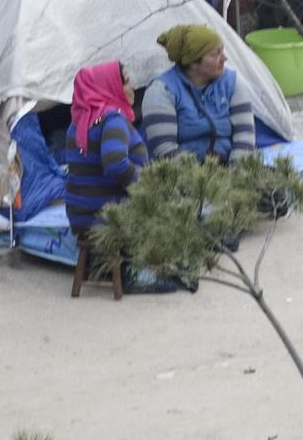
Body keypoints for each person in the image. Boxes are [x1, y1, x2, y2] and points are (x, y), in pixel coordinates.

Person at [64, 61, 182, 293]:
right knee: (176, 207)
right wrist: (149, 186)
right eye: (125, 81)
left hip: (80, 216)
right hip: (109, 216)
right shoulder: (113, 120)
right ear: (110, 87)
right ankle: (138, 275)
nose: (132, 86)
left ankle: (109, 266)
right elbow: (116, 164)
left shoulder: (79, 122)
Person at [141, 24, 255, 163]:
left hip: (228, 170)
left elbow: (245, 136)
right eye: (215, 54)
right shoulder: (161, 91)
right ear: (193, 62)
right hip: (182, 175)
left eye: (222, 51)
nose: (224, 58)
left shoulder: (232, 82)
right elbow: (165, 149)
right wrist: (200, 179)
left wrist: (237, 173)